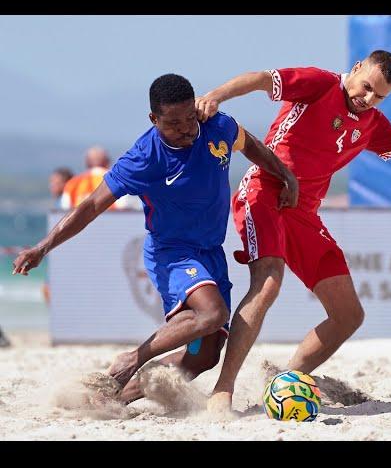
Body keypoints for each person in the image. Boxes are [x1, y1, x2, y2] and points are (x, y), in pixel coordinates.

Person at [194, 50, 391, 417]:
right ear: (356, 70)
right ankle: (221, 393)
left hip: (305, 213)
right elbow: (261, 78)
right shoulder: (319, 84)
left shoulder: (372, 123)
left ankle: (286, 383)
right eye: (367, 87)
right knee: (269, 283)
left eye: (379, 96)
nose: (368, 99)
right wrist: (215, 96)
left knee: (349, 314)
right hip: (266, 191)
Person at [12, 73, 298, 404]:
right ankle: (133, 358)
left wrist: (285, 174)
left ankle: (111, 398)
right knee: (212, 314)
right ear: (154, 119)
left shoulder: (216, 125)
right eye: (174, 123)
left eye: (190, 117)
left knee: (204, 356)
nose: (187, 129)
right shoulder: (144, 158)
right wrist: (43, 246)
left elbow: (252, 147)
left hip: (211, 253)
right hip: (173, 254)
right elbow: (90, 205)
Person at [61, 145, 140, 210]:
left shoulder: (73, 183)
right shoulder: (116, 179)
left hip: (81, 226)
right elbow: (126, 205)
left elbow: (64, 209)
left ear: (87, 163)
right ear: (107, 162)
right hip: (110, 226)